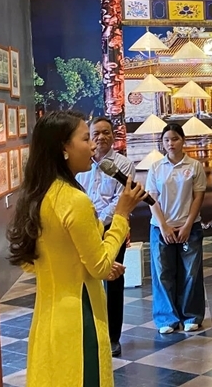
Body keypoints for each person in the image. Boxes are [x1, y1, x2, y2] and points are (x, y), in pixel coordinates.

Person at [7, 111, 146, 387]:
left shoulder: (38, 194)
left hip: (47, 318)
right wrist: (121, 215)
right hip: (80, 320)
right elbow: (101, 266)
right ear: (64, 148)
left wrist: (81, 264)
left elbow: (33, 262)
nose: (93, 145)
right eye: (85, 138)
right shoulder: (75, 200)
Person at [76, 117, 136, 357]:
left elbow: (120, 199)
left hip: (113, 229)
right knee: (85, 281)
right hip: (83, 230)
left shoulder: (123, 164)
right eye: (96, 133)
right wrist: (88, 223)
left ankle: (113, 337)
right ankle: (90, 333)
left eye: (106, 132)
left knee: (113, 282)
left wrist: (99, 223)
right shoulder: (81, 165)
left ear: (113, 136)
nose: (101, 137)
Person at [145, 123, 207, 334]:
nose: (171, 144)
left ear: (183, 140)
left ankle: (191, 315)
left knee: (191, 273)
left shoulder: (194, 166)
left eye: (175, 139)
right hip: (161, 228)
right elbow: (152, 198)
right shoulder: (156, 167)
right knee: (163, 273)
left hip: (189, 226)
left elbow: (198, 196)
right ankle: (166, 319)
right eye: (166, 140)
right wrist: (163, 226)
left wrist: (188, 224)